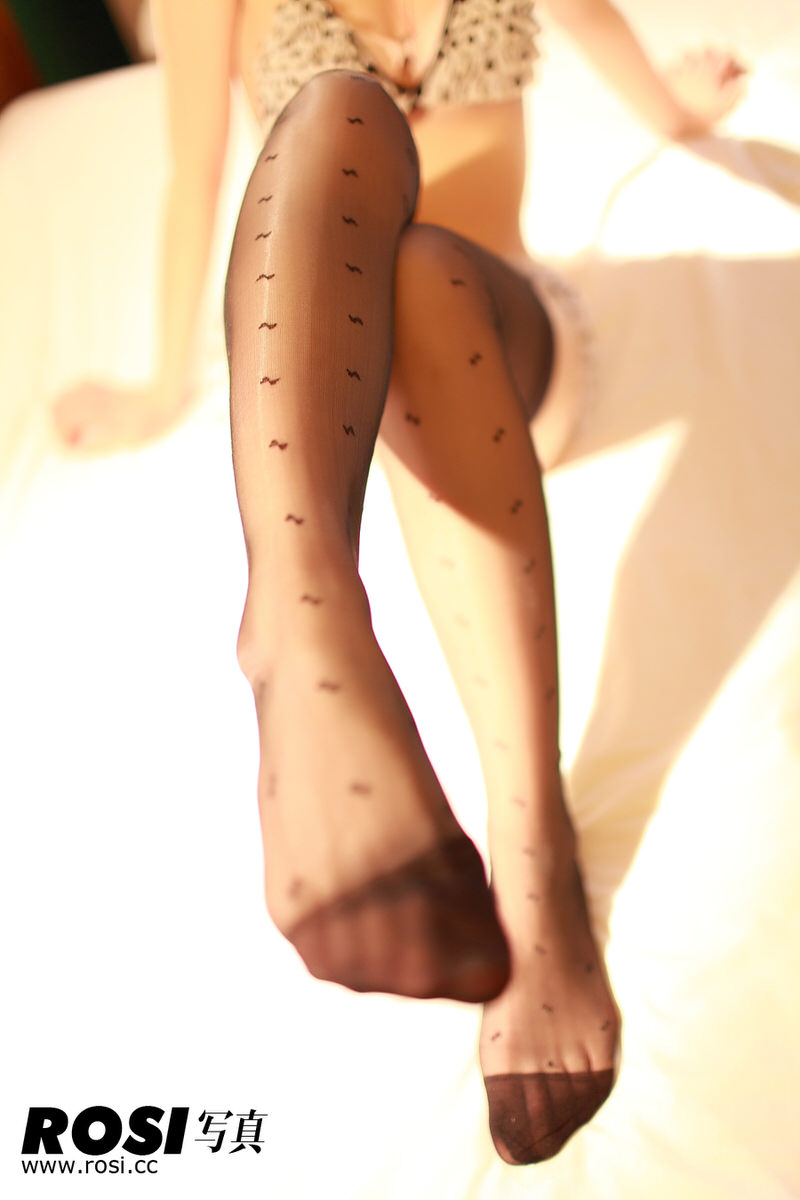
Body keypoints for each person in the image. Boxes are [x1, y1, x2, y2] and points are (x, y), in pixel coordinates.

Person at [51, 0, 745, 1165]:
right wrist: (156, 387)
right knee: (337, 107)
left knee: (421, 272)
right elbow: (192, 176)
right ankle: (305, 605)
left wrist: (679, 110)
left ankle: (517, 835)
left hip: (509, 345)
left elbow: (605, 36)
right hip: (336, 394)